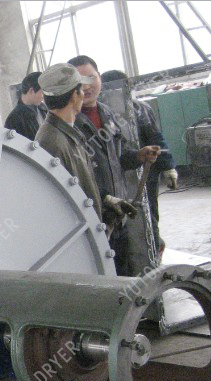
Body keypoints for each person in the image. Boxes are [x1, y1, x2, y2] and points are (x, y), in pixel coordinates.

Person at [67, 55, 161, 275]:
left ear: (100, 77)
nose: (87, 86)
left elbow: (118, 159)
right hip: (91, 213)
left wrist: (139, 156)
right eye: (81, 81)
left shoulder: (108, 114)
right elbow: (70, 173)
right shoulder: (69, 122)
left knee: (123, 269)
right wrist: (103, 197)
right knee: (100, 272)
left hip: (117, 213)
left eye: (91, 78)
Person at [35, 63, 136, 230]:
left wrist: (104, 200)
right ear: (75, 96)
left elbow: (77, 182)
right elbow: (59, 201)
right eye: (81, 89)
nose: (84, 92)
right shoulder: (53, 142)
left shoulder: (67, 132)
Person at [101, 69, 177, 255]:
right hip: (116, 176)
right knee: (120, 219)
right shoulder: (102, 114)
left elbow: (156, 138)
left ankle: (153, 253)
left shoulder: (141, 109)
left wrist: (168, 167)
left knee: (149, 214)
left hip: (145, 174)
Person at [5, 72, 48, 141]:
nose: (44, 96)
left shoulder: (43, 108)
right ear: (31, 91)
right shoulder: (14, 119)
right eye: (42, 92)